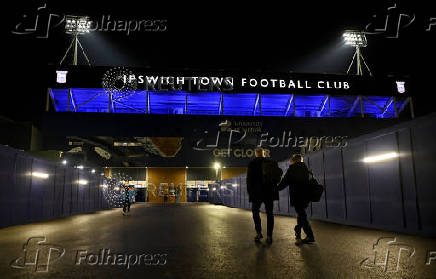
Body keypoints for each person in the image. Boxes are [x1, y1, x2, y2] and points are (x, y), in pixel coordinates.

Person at [276, 154, 315, 245]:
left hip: (297, 196)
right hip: (306, 196)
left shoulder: (292, 169)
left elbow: (284, 183)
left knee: (302, 216)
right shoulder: (307, 169)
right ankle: (298, 232)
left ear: (293, 160)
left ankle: (310, 236)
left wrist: (275, 189)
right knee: (301, 214)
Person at [247, 147, 279, 245]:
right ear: (264, 154)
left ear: (256, 154)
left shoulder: (252, 164)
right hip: (269, 192)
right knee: (270, 213)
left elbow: (249, 180)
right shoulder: (272, 163)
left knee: (255, 211)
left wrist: (250, 193)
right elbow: (276, 178)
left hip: (257, 193)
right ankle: (269, 236)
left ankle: (259, 232)